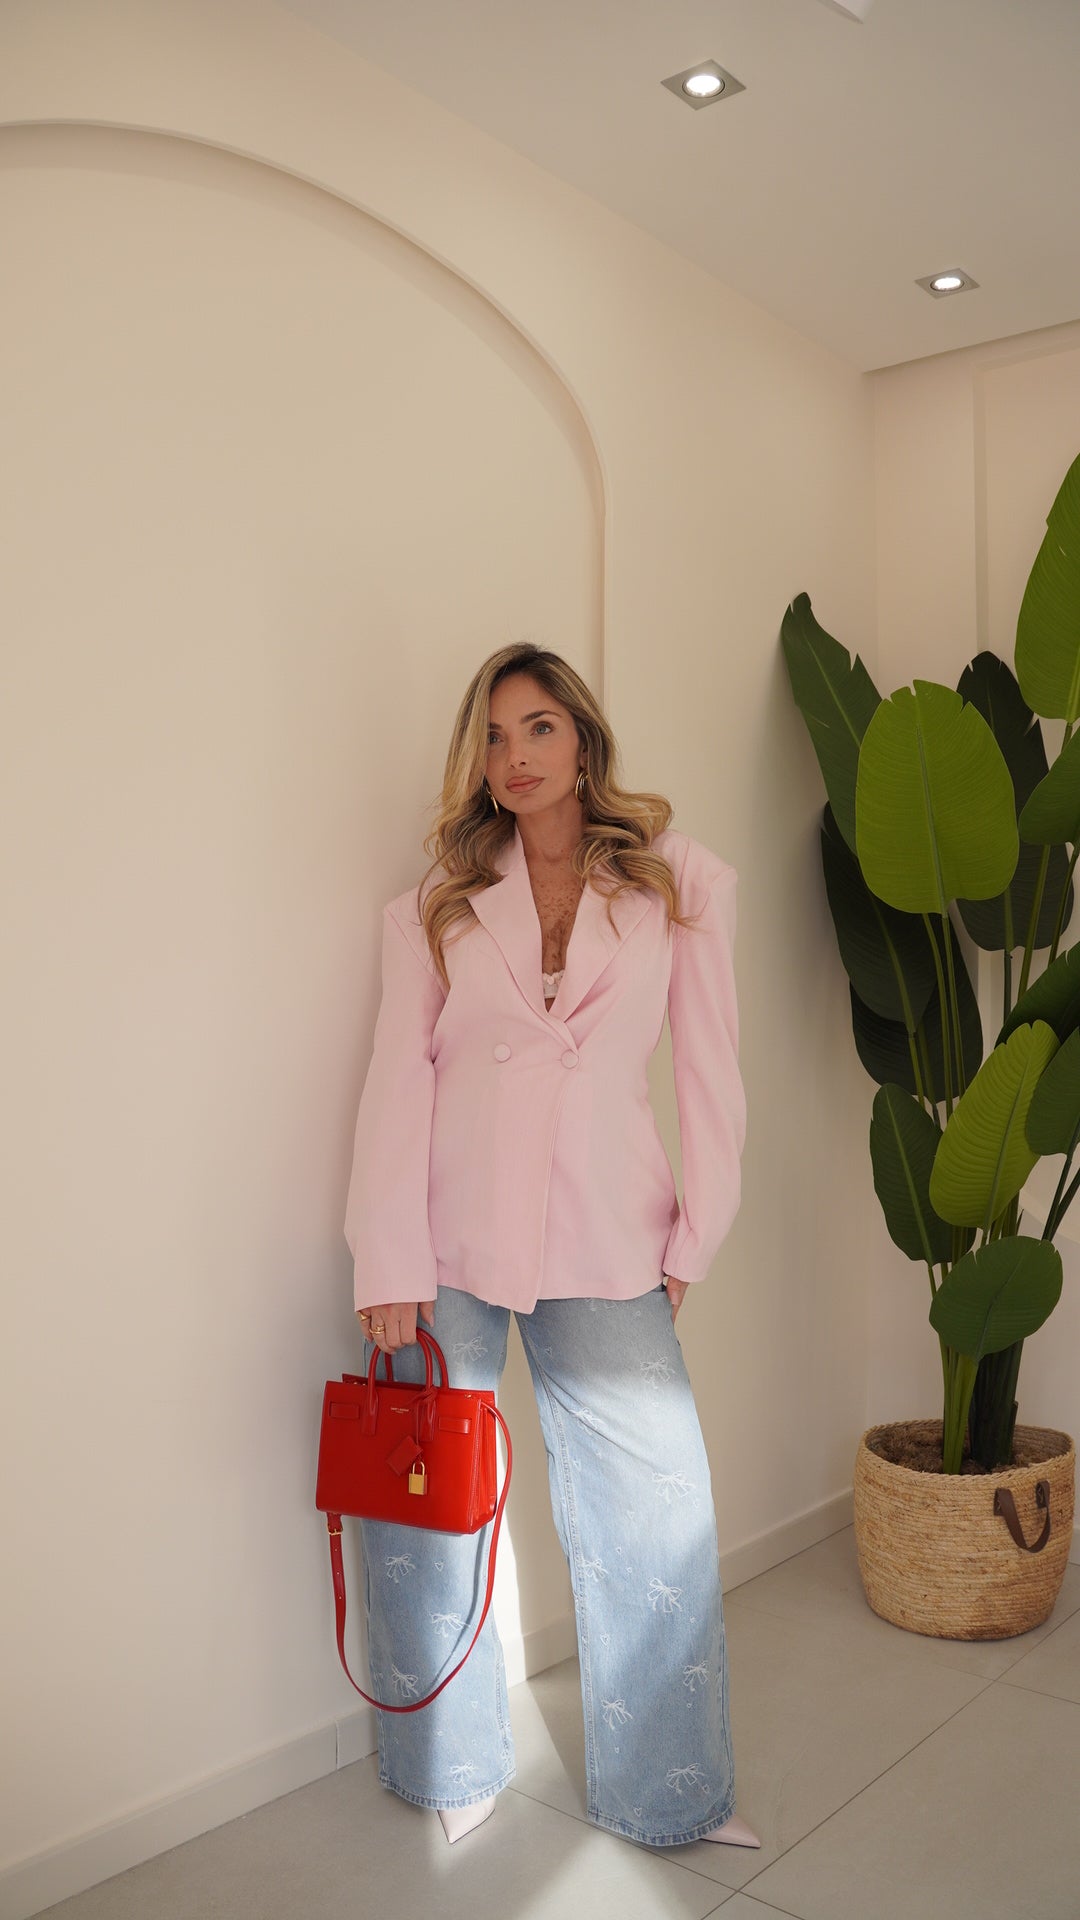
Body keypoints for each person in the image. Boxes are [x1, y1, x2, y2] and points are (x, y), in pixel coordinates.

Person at [343, 641, 757, 1851]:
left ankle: (673, 1792)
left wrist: (697, 1230)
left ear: (581, 738)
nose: (513, 755)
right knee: (430, 1511)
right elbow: (397, 1081)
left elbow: (711, 1066)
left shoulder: (678, 883)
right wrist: (386, 1260)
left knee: (656, 1511)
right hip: (448, 1234)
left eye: (537, 727)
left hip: (607, 1230)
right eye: (492, 735)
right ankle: (449, 1766)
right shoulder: (437, 903)